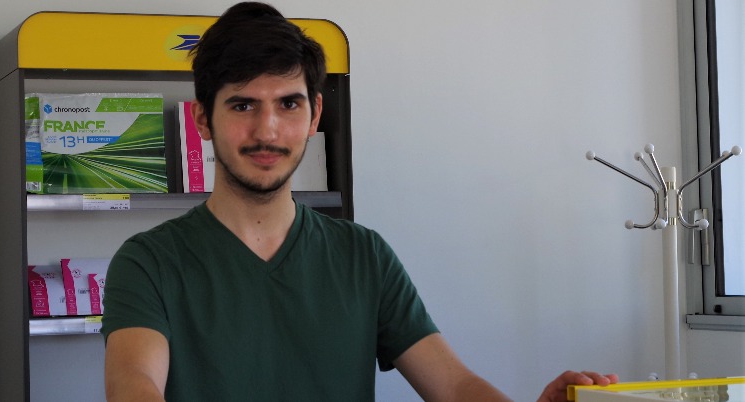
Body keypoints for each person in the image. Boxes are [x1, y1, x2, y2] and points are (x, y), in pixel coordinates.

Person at [100, 2, 618, 401]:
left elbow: (454, 385)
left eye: (288, 104)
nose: (268, 130)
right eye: (242, 105)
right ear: (203, 119)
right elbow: (134, 385)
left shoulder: (363, 256)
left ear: (315, 113)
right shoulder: (149, 263)